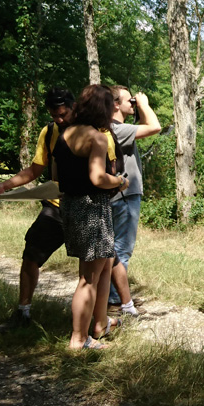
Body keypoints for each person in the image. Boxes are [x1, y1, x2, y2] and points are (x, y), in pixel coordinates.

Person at [0, 88, 75, 332]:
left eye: (63, 114)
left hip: (84, 209)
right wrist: (4, 186)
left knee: (95, 267)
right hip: (56, 207)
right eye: (54, 114)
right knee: (30, 256)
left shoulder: (92, 128)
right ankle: (22, 314)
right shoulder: (49, 132)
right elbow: (34, 170)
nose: (59, 119)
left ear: (74, 107)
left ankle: (100, 320)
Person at [53, 84, 128, 349]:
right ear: (103, 109)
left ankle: (99, 324)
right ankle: (79, 339)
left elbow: (56, 175)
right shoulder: (96, 137)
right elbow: (97, 177)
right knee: (88, 277)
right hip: (92, 208)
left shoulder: (65, 133)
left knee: (106, 262)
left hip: (70, 206)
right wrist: (119, 180)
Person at [107, 85, 161, 316]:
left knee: (115, 250)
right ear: (115, 105)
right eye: (129, 100)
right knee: (121, 250)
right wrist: (145, 104)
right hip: (124, 197)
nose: (134, 103)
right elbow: (155, 127)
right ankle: (114, 300)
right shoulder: (115, 129)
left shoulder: (116, 128)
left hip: (121, 196)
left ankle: (115, 297)